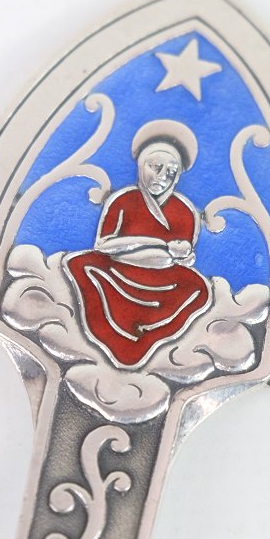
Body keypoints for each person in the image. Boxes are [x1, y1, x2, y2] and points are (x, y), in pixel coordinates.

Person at [65, 120, 212, 367]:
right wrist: (157, 243)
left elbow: (185, 259)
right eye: (156, 167)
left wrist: (181, 254)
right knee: (80, 264)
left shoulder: (184, 211)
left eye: (171, 172)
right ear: (142, 166)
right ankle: (116, 339)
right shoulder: (123, 200)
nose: (162, 177)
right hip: (118, 269)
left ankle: (146, 339)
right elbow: (104, 246)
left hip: (162, 277)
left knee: (200, 288)